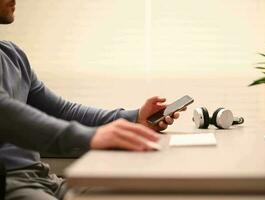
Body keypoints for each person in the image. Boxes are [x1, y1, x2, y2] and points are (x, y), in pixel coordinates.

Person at [0, 0, 185, 199]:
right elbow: (5, 113)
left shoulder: (13, 55)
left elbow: (62, 112)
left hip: (41, 178)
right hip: (10, 183)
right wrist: (89, 136)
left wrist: (135, 118)